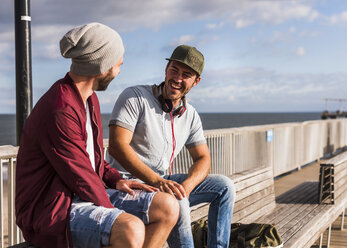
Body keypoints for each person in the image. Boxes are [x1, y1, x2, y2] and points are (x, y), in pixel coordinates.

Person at [15, 22, 179, 248]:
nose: (119, 70)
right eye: (118, 64)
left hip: (83, 194)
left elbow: (93, 162)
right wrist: (118, 214)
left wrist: (117, 180)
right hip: (53, 208)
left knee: (168, 207)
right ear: (102, 66)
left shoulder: (89, 99)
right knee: (131, 228)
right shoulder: (60, 108)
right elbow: (81, 176)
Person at [108, 44, 236, 248]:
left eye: (186, 74)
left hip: (161, 183)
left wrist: (186, 187)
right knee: (178, 201)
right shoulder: (134, 97)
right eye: (174, 70)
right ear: (166, 70)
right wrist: (158, 182)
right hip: (127, 186)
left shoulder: (190, 114)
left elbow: (203, 158)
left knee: (224, 187)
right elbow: (116, 146)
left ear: (196, 81)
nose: (177, 78)